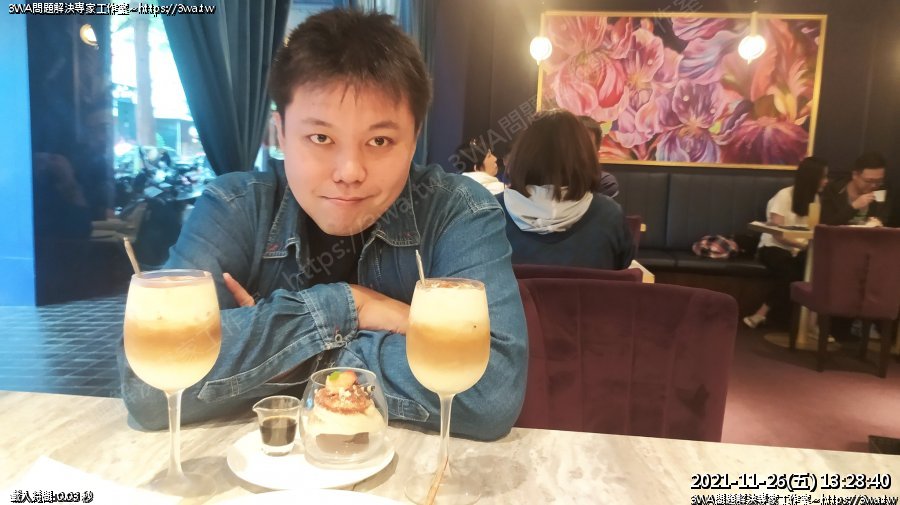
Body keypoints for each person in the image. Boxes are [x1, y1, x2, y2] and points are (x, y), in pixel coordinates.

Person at [118, 9, 527, 441]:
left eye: (380, 140)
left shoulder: (458, 211)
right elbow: (150, 386)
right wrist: (351, 305)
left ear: (413, 139)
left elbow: (489, 393)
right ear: (280, 132)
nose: (349, 171)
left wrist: (279, 347)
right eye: (320, 138)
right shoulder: (233, 209)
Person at [497, 109, 634, 269]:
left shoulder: (490, 215)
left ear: (521, 155)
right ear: (586, 157)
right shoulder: (610, 216)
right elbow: (622, 269)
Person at [743, 157, 829, 329]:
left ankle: (811, 323)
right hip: (773, 248)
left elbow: (813, 228)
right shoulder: (784, 196)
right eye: (823, 177)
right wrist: (803, 246)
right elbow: (778, 234)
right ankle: (762, 313)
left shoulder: (815, 199)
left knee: (819, 271)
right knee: (790, 272)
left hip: (800, 250)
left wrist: (807, 246)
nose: (826, 181)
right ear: (812, 177)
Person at [821, 152, 889, 226]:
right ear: (855, 175)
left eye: (878, 181)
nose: (874, 185)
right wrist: (854, 207)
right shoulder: (833, 190)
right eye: (868, 181)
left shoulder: (882, 191)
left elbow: (885, 220)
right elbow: (828, 225)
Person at [577, 115, 619, 199]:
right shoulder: (551, 178)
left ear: (596, 154)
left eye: (586, 145)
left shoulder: (604, 182)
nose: (578, 149)